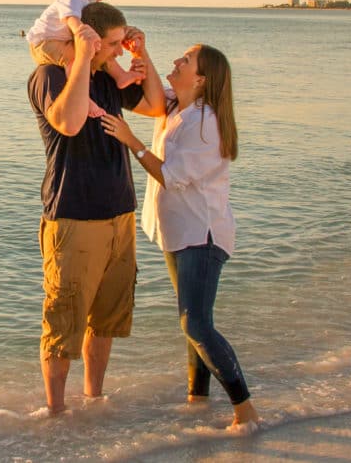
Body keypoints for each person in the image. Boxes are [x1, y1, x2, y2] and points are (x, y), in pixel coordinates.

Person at [101, 44, 262, 432]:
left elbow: (171, 176)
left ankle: (245, 409)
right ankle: (198, 399)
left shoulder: (207, 126)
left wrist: (131, 141)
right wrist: (132, 53)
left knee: (196, 324)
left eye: (185, 61)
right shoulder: (177, 104)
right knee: (192, 321)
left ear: (201, 79)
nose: (177, 62)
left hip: (202, 236)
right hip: (178, 232)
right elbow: (148, 100)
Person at [27, 1, 164, 415]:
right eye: (113, 44)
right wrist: (85, 57)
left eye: (122, 44)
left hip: (119, 212)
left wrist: (143, 55)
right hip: (73, 214)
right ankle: (55, 414)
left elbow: (156, 105)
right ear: (86, 40)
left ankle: (94, 401)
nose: (118, 52)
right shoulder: (50, 76)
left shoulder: (108, 78)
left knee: (105, 320)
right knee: (63, 320)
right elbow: (68, 123)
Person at [26, 0, 145, 119]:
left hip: (59, 39)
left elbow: (101, 26)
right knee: (75, 59)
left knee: (100, 47)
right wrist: (80, 32)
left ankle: (121, 76)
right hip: (44, 42)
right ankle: (85, 100)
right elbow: (69, 16)